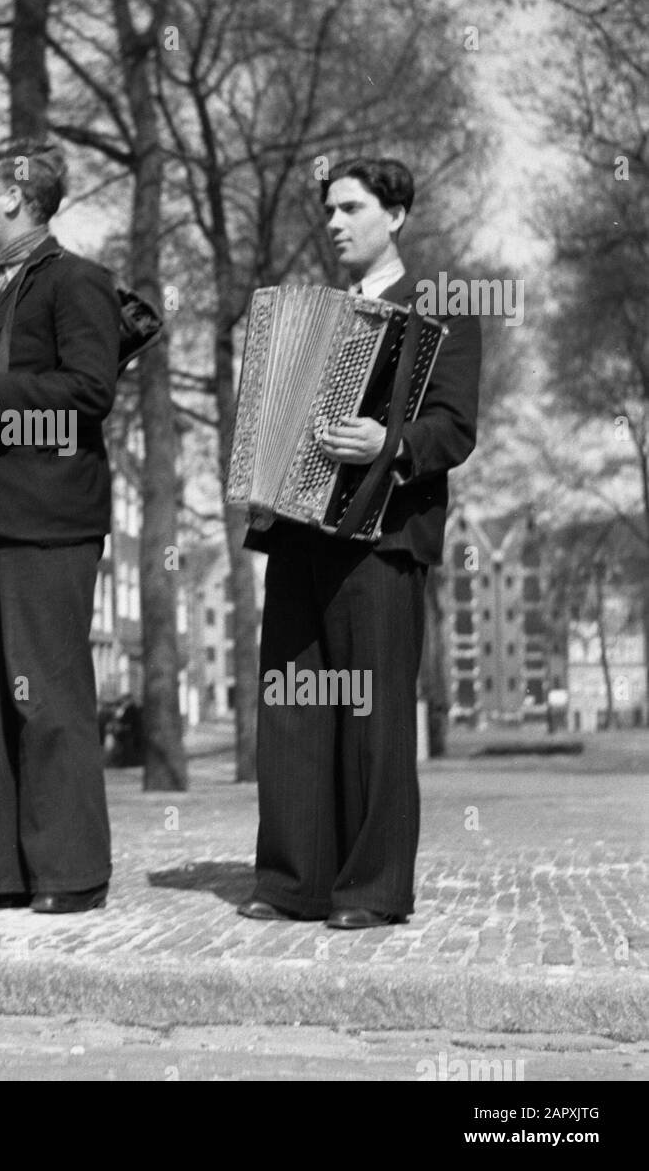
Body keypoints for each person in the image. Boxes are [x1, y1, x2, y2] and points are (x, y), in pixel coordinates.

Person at [238, 158, 481, 929]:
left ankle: (372, 890)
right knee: (293, 708)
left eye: (351, 208)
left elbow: (455, 429)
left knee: (374, 719)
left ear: (396, 215)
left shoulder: (441, 308)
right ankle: (293, 883)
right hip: (299, 538)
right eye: (329, 211)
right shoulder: (310, 315)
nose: (334, 223)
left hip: (383, 543)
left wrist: (389, 442)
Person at [0, 138, 120, 914]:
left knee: (50, 695)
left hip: (50, 519)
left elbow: (88, 391)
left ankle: (70, 872)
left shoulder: (79, 283)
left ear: (14, 194)